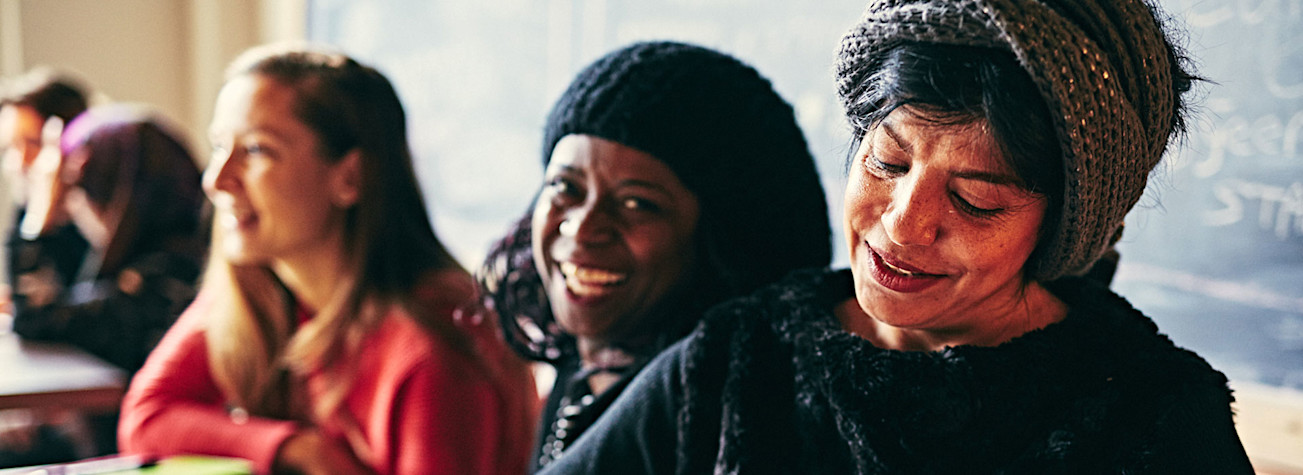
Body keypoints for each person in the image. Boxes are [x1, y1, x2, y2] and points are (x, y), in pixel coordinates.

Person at [540, 0, 1257, 473]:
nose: (901, 223)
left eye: (974, 200)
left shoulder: (1152, 421)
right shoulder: (739, 358)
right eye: (886, 161)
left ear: (1063, 225)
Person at [119, 44, 536, 475]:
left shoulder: (431, 349)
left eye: (257, 150)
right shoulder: (260, 285)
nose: (216, 181)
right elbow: (146, 417)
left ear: (350, 177)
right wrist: (296, 448)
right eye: (220, 146)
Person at [477, 41, 832, 472]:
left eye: (637, 204)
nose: (583, 228)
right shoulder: (586, 365)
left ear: (724, 241)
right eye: (565, 187)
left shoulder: (726, 428)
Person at [11, 104, 206, 373]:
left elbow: (38, 321)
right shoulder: (183, 255)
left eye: (73, 192)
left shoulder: (158, 280)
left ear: (113, 198)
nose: (73, 211)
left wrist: (36, 223)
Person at [0, 69, 92, 321]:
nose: (19, 163)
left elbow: (34, 317)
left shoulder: (101, 222)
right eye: (9, 148)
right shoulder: (26, 208)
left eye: (32, 143)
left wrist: (41, 216)